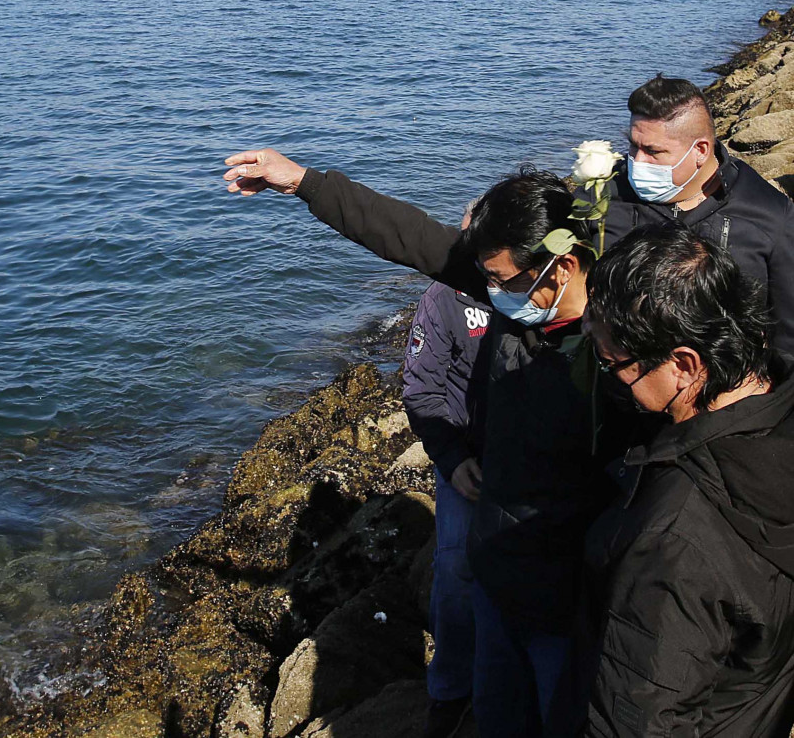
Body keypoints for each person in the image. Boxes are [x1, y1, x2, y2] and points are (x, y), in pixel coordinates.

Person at [223, 151, 621, 737]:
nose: (484, 293)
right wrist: (306, 182)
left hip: (564, 595)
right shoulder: (521, 299)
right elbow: (405, 235)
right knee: (496, 714)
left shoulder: (624, 344)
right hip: (500, 569)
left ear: (559, 269)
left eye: (497, 280)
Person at [580, 227, 794, 736]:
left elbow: (636, 718)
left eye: (614, 365)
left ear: (684, 364)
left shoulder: (675, 538)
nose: (611, 378)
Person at [590, 74, 794, 351]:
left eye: (653, 151)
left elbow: (788, 334)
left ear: (700, 150)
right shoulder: (604, 196)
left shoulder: (769, 216)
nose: (637, 162)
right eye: (633, 146)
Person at [401, 201, 490, 737]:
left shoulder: (540, 292)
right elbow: (421, 389)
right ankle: (450, 689)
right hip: (466, 460)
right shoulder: (443, 299)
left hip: (530, 457)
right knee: (456, 570)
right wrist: (454, 462)